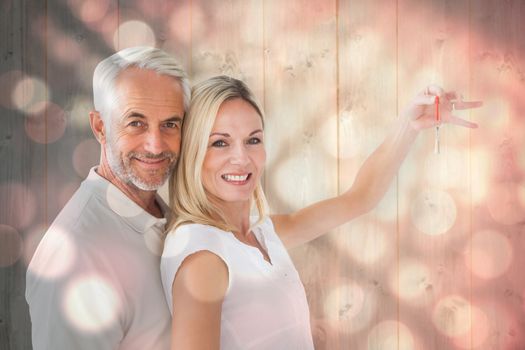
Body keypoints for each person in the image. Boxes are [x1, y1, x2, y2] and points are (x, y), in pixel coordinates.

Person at [161, 76, 481, 349]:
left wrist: (408, 126)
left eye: (253, 140)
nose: (241, 158)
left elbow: (360, 197)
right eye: (220, 143)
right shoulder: (202, 256)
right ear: (193, 152)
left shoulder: (259, 234)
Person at [26, 46, 190, 350]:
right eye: (136, 123)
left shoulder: (175, 223)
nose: (155, 145)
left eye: (170, 124)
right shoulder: (75, 255)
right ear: (100, 127)